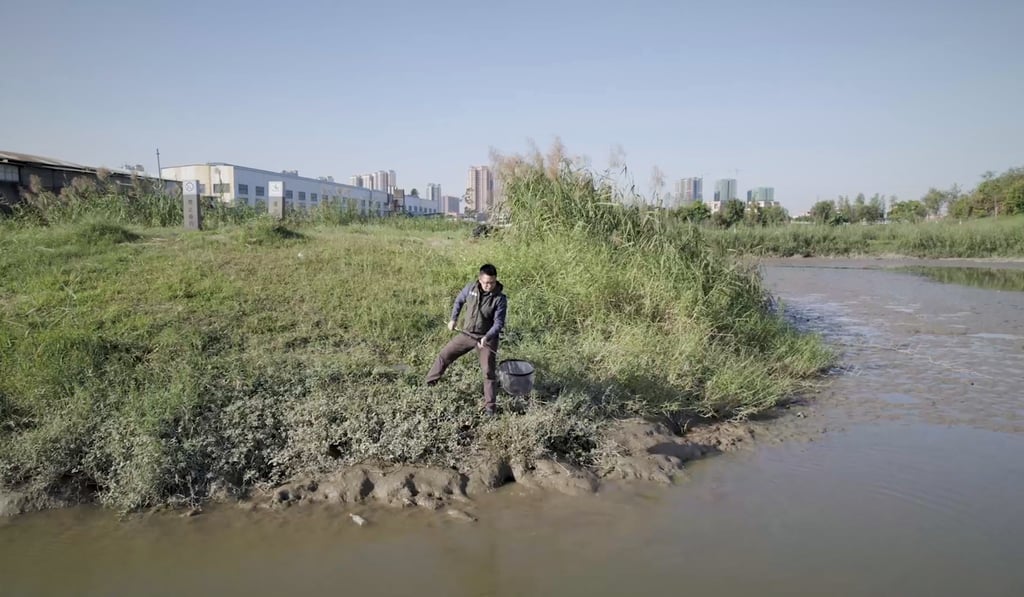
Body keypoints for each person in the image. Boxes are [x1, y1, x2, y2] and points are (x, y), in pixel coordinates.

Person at [425, 263, 507, 414]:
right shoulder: (470, 288)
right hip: (467, 334)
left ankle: (490, 408)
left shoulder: (500, 299)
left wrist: (487, 336)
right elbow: (459, 301)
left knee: (488, 372)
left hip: (486, 339)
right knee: (444, 355)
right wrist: (453, 319)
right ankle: (429, 384)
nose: (490, 286)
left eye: (492, 282)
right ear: (479, 279)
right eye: (486, 282)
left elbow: (499, 323)